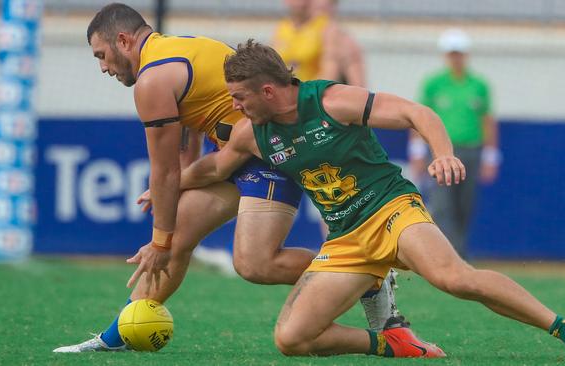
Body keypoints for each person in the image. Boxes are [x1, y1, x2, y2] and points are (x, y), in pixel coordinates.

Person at [179, 39, 565, 362]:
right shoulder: (251, 133)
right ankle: (391, 343)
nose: (233, 105)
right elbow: (216, 169)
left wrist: (443, 153)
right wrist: (173, 183)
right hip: (346, 237)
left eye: (239, 96)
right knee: (292, 340)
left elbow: (416, 113)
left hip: (391, 210)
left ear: (268, 91)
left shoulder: (331, 101)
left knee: (454, 278)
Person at [53, 3, 399, 353]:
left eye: (102, 55)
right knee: (176, 237)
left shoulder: (151, 80)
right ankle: (118, 338)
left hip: (268, 151)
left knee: (254, 263)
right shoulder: (175, 48)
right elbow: (187, 144)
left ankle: (366, 272)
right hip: (235, 156)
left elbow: (165, 170)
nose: (102, 67)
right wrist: (168, 225)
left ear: (123, 40)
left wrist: (158, 240)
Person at [409, 28, 500, 257]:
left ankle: (457, 252)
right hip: (441, 152)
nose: (455, 58)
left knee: (464, 206)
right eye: (452, 53)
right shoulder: (434, 84)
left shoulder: (478, 84)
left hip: (472, 150)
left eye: (459, 53)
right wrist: (418, 150)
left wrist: (491, 155)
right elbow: (420, 118)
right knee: (442, 205)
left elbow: (487, 120)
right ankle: (445, 256)